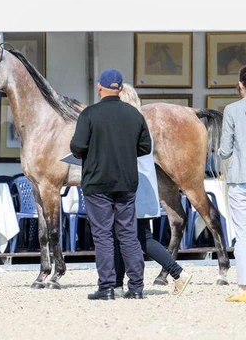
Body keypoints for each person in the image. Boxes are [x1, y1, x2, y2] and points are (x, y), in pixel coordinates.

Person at [70, 69, 151, 300]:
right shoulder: (135, 115)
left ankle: (106, 287)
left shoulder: (90, 114)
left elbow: (77, 147)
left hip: (97, 182)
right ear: (121, 89)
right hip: (126, 181)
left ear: (99, 87)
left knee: (103, 235)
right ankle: (136, 287)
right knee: (128, 234)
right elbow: (145, 147)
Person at [115, 83, 192, 296]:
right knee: (132, 235)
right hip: (142, 188)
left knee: (138, 237)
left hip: (132, 188)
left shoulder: (128, 125)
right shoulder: (140, 123)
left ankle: (177, 272)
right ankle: (117, 283)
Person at [218, 64, 246, 303]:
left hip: (241, 180)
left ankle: (243, 289)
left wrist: (219, 154)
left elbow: (225, 151)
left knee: (244, 237)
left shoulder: (232, 110)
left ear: (240, 85)